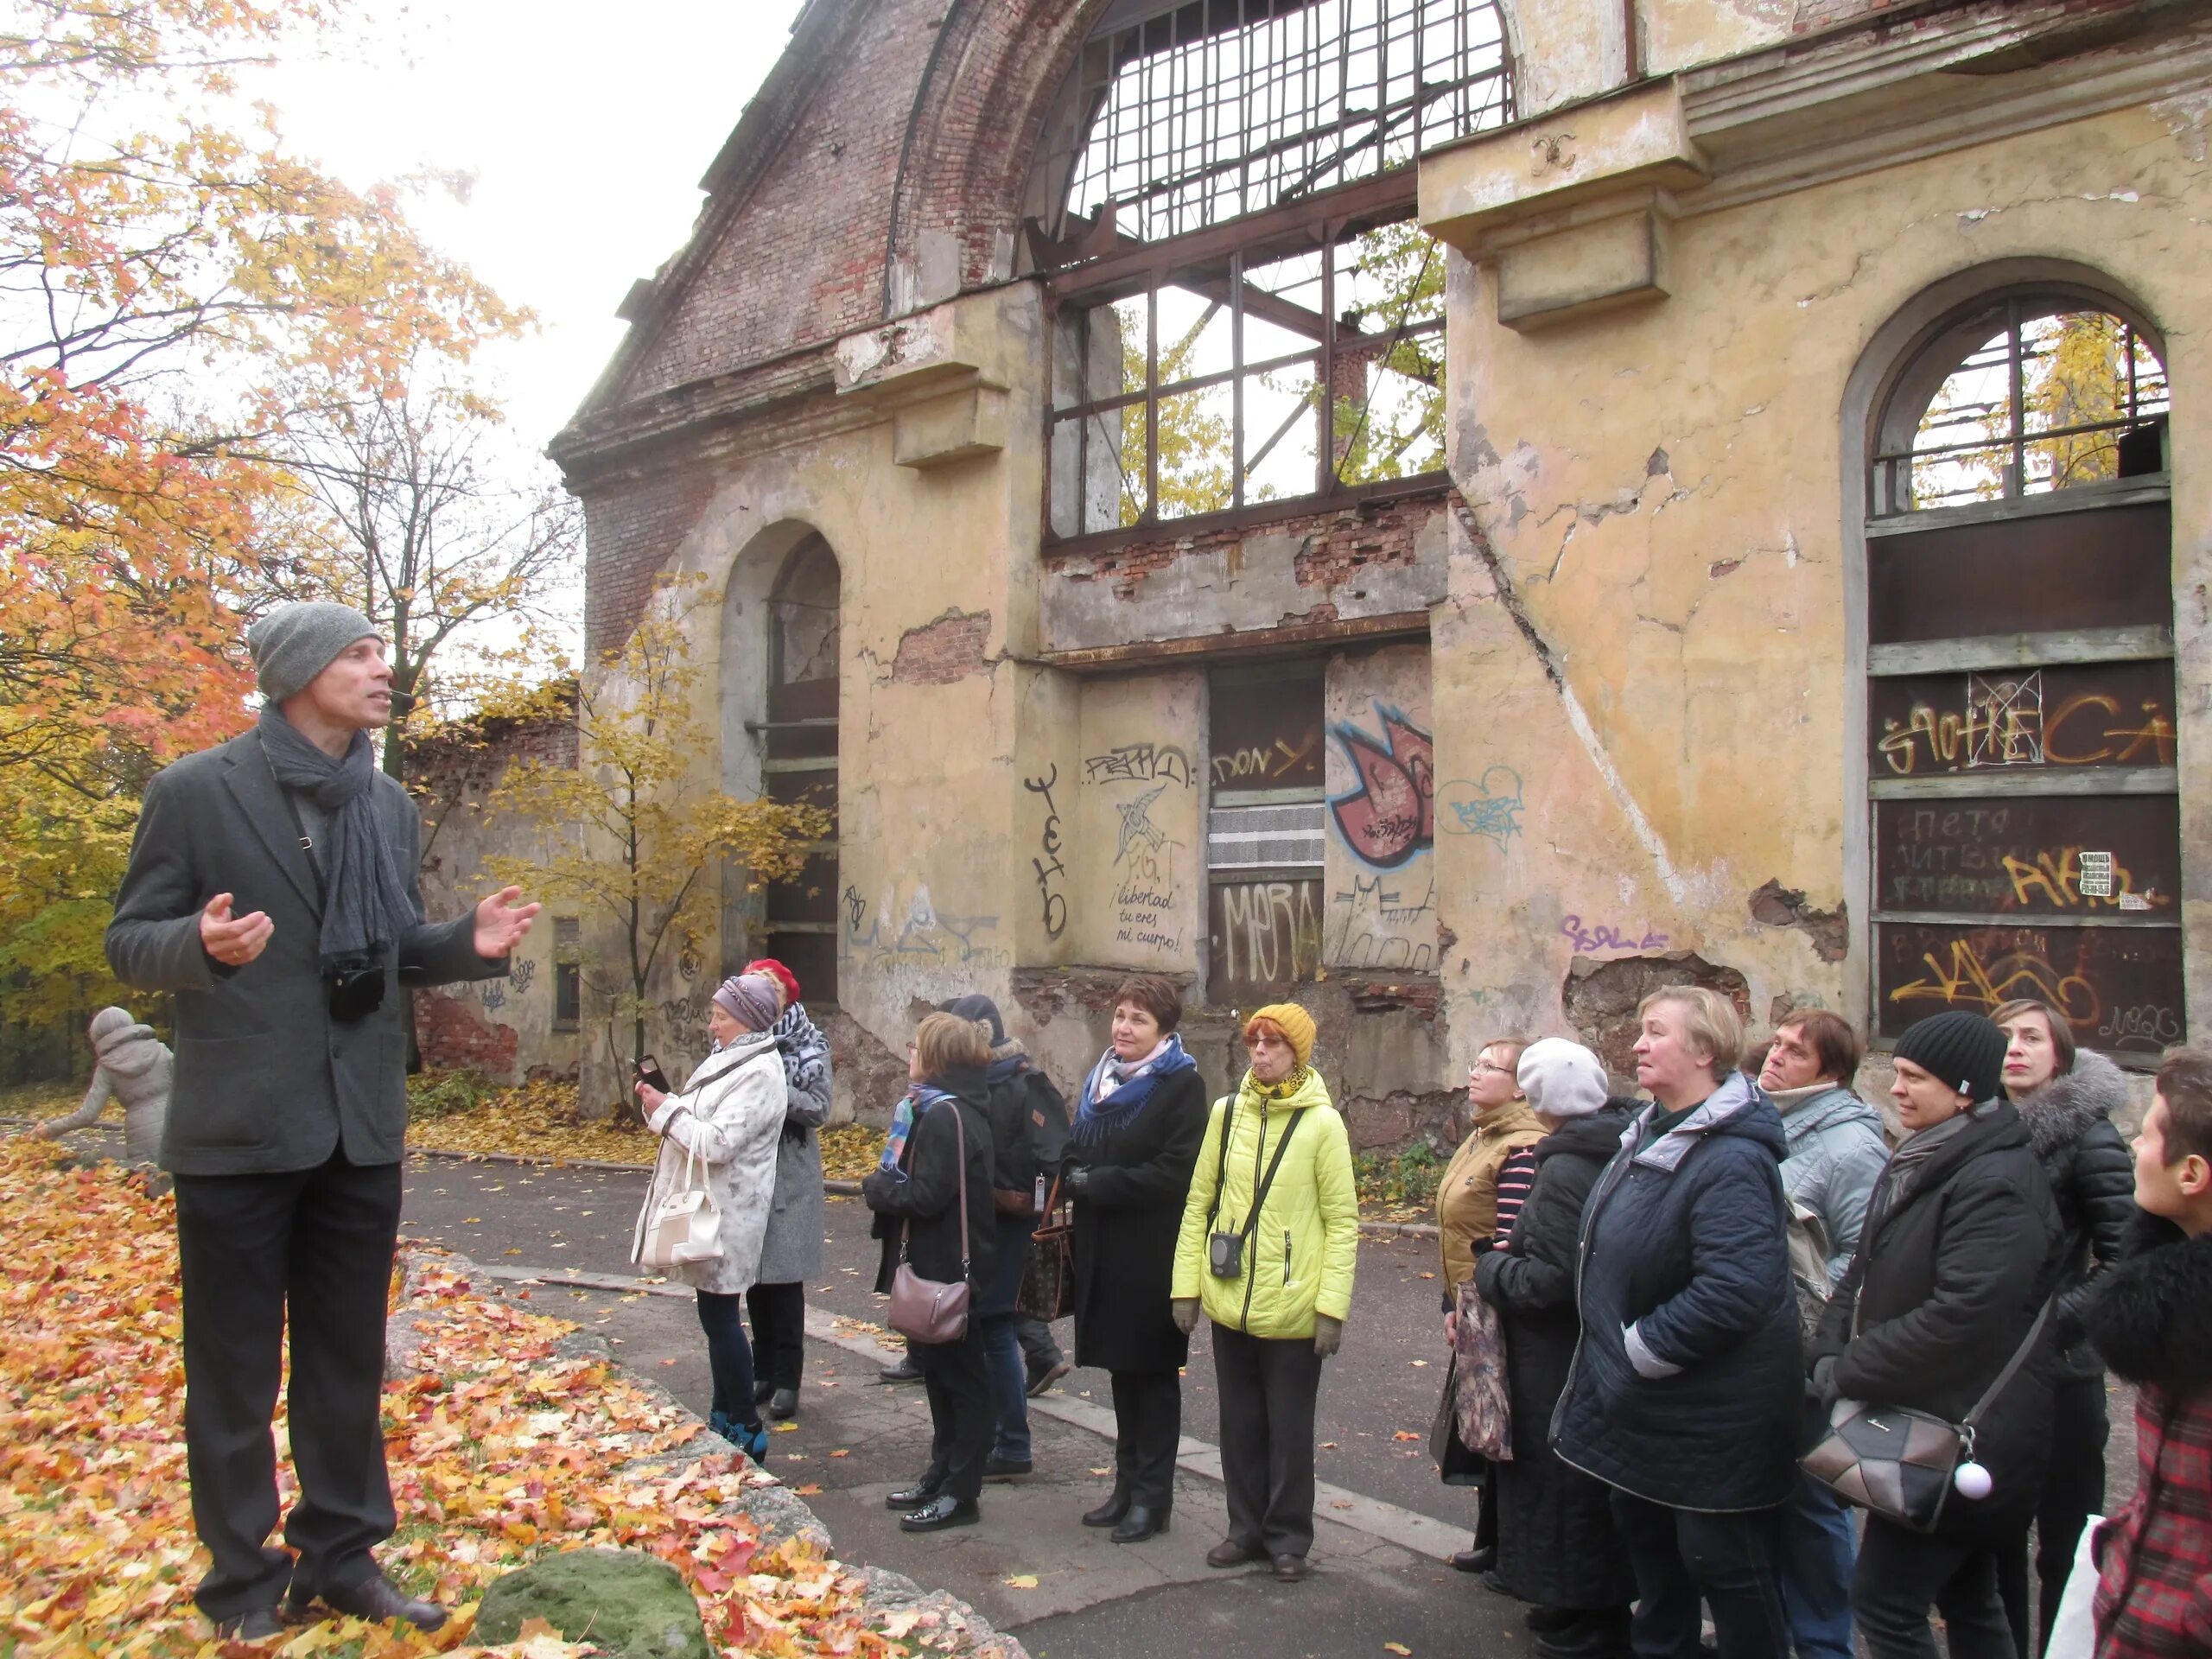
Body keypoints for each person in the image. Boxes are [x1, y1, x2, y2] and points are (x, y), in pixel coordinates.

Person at [104, 601, 536, 1639]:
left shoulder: (384, 805)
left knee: (345, 1361)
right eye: (358, 653)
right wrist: (200, 946)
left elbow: (382, 948)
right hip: (240, 1129)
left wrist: (461, 944)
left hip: (358, 1126)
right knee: (235, 1372)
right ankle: (241, 1583)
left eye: (381, 653)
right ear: (299, 670)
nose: (380, 670)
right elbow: (129, 941)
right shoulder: (195, 791)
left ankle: (340, 1557)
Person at [1551, 986, 1802, 1659]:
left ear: (1705, 1050)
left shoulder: (1731, 1156)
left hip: (1711, 1419)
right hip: (1648, 1414)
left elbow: (1738, 1288)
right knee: (1656, 1569)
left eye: (1655, 1032)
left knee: (1725, 1567)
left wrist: (1640, 1349)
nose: (1637, 1044)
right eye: (1641, 1030)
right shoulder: (1652, 1130)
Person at [1809, 1010, 2064, 1659]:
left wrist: (1849, 1369)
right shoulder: (1926, 1159)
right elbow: (1862, 1273)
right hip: (1934, 1421)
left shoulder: (1996, 1179)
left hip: (1965, 1432)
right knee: (1969, 1597)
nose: (1895, 1089)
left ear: (1966, 1090)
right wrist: (1827, 1349)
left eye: (1914, 1077)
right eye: (1896, 1072)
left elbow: (1962, 1318)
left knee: (1886, 1603)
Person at [1172, 1003, 1357, 1583]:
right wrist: (1186, 1288)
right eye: (1254, 1041)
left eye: (1273, 1043)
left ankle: (1288, 1538)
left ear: (1296, 1053)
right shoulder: (1227, 1115)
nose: (1261, 1052)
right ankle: (1244, 1528)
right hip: (1231, 1301)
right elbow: (1199, 1201)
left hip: (1294, 1305)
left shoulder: (1323, 1124)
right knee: (1240, 1423)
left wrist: (1331, 1308)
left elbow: (1343, 1222)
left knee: (1289, 1428)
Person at [1473, 1039, 1636, 1658]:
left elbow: (1553, 1278)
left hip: (1558, 1353)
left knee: (1566, 1485)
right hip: (1580, 1350)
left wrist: (1492, 1268)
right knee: (1573, 1484)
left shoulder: (1567, 1165)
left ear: (1540, 1099)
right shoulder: (1609, 1144)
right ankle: (1575, 1605)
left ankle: (1591, 1615)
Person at [1990, 997, 2135, 1656]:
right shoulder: (1984, 1129)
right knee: (1992, 1536)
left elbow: (2126, 1258)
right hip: (1988, 1368)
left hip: (2061, 1370)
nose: (2015, 1048)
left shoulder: (2092, 1137)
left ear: (2061, 1054)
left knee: (2066, 1542)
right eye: (2004, 1037)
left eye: (2031, 1037)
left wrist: (2053, 1330)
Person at [1757, 1007, 1889, 1659]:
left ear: (1830, 1072)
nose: (1774, 1056)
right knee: (1768, 1495)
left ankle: (1822, 1644)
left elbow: (1861, 1257)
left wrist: (1815, 1337)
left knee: (1813, 1505)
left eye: (1795, 1052)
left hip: (1807, 1352)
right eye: (1776, 1044)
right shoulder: (1768, 1122)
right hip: (1758, 1348)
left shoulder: (1851, 1145)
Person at [1062, 975, 1206, 1541]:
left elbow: (1175, 1172)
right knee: (1123, 1372)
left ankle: (1153, 1498)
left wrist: (1098, 1182)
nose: (1123, 1027)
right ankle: (1125, 1488)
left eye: (1138, 1019)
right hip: (1102, 1246)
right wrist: (1068, 1166)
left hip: (1151, 1251)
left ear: (1164, 1030)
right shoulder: (1101, 1080)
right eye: (1120, 1015)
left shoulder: (1181, 1087)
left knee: (1152, 1375)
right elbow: (1079, 1142)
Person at [2081, 1046, 2212, 1659]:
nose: (2132, 1144)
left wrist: (2188, 1619)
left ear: (2191, 1174)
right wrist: (2126, 1546)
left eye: (2149, 1131)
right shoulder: (2168, 1302)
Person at [632, 972, 790, 1464]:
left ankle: (744, 1424)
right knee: (714, 1315)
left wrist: (667, 1112)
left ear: (746, 1020)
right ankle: (724, 1415)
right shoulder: (733, 1060)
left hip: (729, 1212)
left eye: (720, 1016)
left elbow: (719, 1142)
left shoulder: (760, 1073)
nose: (712, 1024)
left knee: (722, 1318)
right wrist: (663, 1107)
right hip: (714, 1207)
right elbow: (699, 1120)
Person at [863, 1012, 998, 1533]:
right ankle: (941, 1474)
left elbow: (927, 1195)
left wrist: (877, 1189)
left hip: (950, 1273)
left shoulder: (946, 1116)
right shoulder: (941, 1109)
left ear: (937, 1058)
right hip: (941, 1268)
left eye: (916, 1046)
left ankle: (961, 1492)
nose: (908, 1053)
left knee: (963, 1382)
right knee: (942, 1379)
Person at [938, 992, 1072, 1485]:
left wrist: (1018, 1198)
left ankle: (1012, 1442)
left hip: (1007, 1227)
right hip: (987, 1224)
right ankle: (1002, 1438)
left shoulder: (1016, 1084)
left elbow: (1054, 1162)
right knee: (989, 1331)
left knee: (994, 1332)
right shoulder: (982, 1083)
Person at [1434, 1034, 1543, 1573]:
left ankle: (1513, 1551)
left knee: (1503, 1424)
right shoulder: (1483, 1135)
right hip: (1473, 1301)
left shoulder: (1521, 1145)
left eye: (1489, 1067)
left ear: (1521, 1086)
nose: (1474, 1073)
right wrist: (1451, 1306)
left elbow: (1510, 1236)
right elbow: (1454, 1228)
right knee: (1484, 1423)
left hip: (1500, 1306)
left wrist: (1477, 1306)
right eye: (1474, 1062)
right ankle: (1494, 1539)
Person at [739, 957, 830, 1422]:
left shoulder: (809, 1045)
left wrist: (775, 1091)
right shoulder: (739, 1044)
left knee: (785, 1279)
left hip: (790, 1175)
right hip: (748, 1170)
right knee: (755, 1276)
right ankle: (763, 1370)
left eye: (762, 992)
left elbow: (818, 1109)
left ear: (781, 999)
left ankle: (789, 1380)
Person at [36, 1005, 171, 1166]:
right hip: (177, 1121)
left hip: (142, 1134)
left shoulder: (107, 1066)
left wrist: (51, 1129)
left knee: (151, 1182)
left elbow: (88, 1114)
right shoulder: (160, 1049)